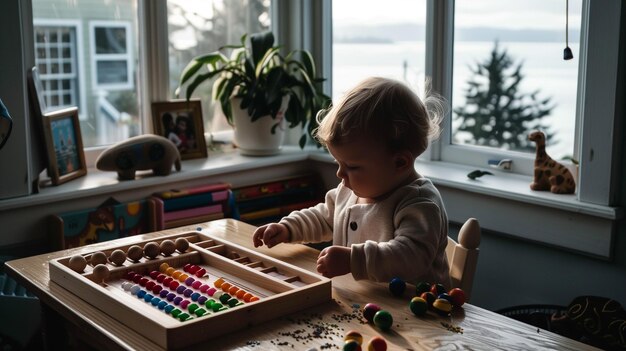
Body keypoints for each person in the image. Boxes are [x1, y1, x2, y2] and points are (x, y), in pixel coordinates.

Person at [252, 77, 450, 285]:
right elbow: (324, 217)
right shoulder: (352, 191)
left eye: (352, 167)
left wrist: (353, 260)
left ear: (400, 162)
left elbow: (410, 257)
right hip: (362, 302)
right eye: (338, 163)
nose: (340, 174)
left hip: (415, 311)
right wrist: (288, 228)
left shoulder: (419, 203)